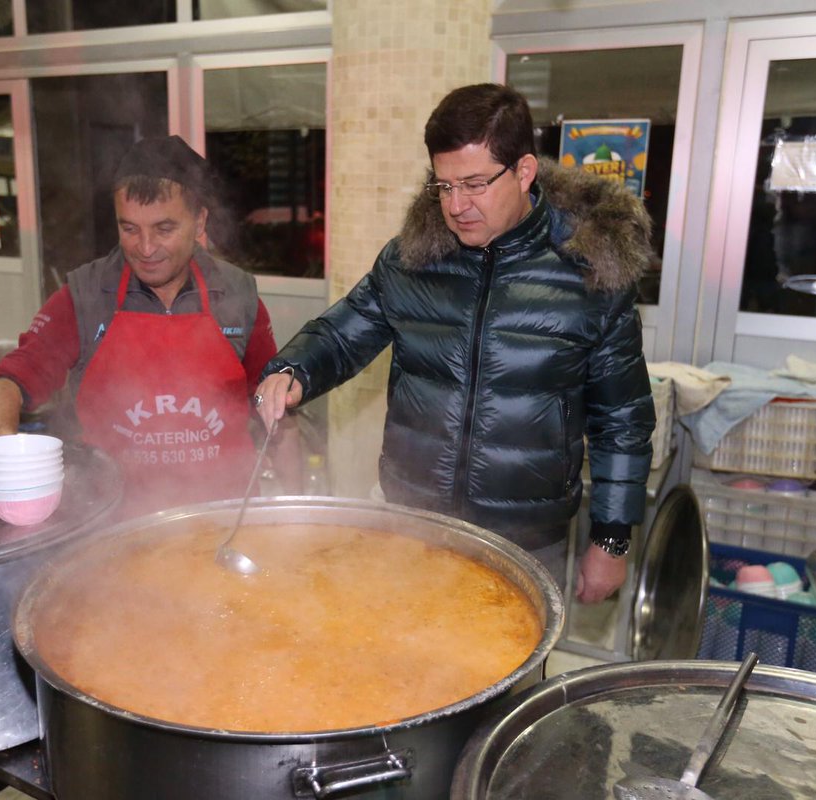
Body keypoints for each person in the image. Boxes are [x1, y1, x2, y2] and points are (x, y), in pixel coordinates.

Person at [254, 84, 656, 604]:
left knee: (515, 659)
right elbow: (342, 332)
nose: (457, 205)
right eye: (443, 186)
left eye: (474, 184)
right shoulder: (412, 260)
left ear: (524, 172)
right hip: (411, 528)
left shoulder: (591, 269)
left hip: (527, 541)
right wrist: (293, 369)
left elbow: (622, 419)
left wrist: (612, 540)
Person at [0, 135, 287, 515]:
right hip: (114, 520)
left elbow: (273, 406)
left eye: (164, 229)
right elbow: (5, 386)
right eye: (130, 229)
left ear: (199, 222)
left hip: (225, 517)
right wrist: (0, 454)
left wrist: (297, 519)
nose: (145, 248)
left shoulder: (237, 296)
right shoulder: (87, 296)